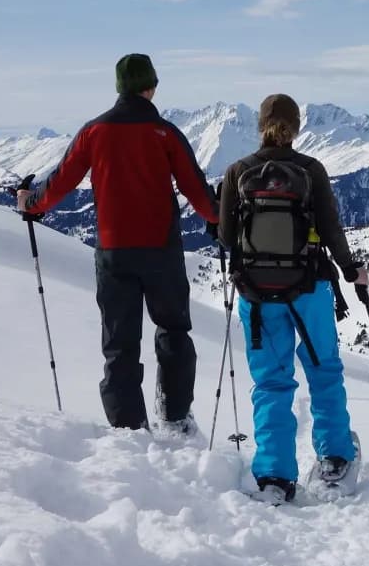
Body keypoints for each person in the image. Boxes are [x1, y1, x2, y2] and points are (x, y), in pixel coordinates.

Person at [17, 53, 219, 433]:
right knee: (173, 330)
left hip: (113, 252)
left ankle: (128, 427)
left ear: (118, 88)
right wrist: (218, 217)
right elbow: (198, 193)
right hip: (161, 249)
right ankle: (175, 416)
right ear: (151, 87)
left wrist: (30, 203)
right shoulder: (166, 133)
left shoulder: (94, 132)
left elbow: (60, 182)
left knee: (120, 343)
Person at [218, 93, 367, 503]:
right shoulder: (310, 169)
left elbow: (227, 237)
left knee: (270, 382)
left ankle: (274, 475)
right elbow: (332, 229)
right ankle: (335, 458)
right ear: (296, 127)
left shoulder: (238, 171)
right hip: (309, 288)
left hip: (257, 294)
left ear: (260, 125)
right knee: (323, 371)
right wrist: (352, 269)